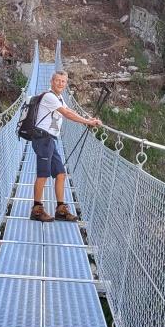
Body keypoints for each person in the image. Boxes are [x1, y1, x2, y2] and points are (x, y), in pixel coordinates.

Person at [30, 71, 102, 222]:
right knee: (43, 174)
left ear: (66, 83)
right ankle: (36, 210)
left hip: (50, 140)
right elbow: (66, 114)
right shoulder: (49, 96)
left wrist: (88, 118)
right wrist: (87, 122)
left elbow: (69, 110)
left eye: (63, 81)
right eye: (58, 80)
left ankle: (61, 210)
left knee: (60, 174)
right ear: (51, 81)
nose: (60, 84)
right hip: (42, 139)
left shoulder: (59, 97)